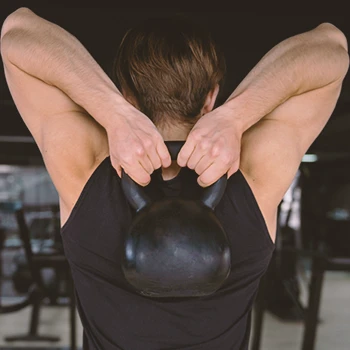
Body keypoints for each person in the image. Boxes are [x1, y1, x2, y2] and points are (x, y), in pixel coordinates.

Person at [1, 8, 348, 350]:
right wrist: (235, 116)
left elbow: (17, 31)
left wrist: (114, 113)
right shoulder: (255, 173)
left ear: (127, 94)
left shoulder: (85, 165)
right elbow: (331, 46)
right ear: (211, 96)